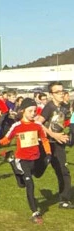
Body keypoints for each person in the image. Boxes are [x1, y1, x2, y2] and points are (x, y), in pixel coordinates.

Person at [0, 98, 52, 223]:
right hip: (23, 159)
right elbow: (7, 139)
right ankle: (35, 212)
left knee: (25, 182)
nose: (33, 113)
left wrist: (48, 153)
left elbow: (44, 140)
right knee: (29, 184)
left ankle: (11, 162)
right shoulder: (17, 126)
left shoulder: (38, 125)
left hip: (36, 158)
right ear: (23, 111)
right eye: (30, 111)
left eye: (35, 111)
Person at [35, 81, 74, 209]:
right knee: (38, 171)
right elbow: (38, 123)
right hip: (45, 143)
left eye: (62, 91)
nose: (61, 94)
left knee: (63, 171)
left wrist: (64, 135)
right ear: (52, 94)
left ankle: (64, 200)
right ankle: (18, 166)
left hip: (58, 144)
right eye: (58, 92)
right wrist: (54, 134)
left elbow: (65, 121)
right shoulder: (49, 107)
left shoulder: (65, 106)